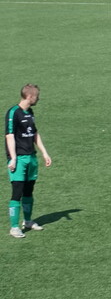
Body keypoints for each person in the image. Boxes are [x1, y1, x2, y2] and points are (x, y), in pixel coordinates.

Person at [7, 84, 52, 239]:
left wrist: (44, 153)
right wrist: (13, 158)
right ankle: (14, 227)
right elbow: (9, 136)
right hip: (19, 158)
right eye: (37, 96)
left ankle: (27, 221)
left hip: (31, 157)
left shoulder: (30, 112)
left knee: (28, 191)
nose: (38, 99)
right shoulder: (13, 112)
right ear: (30, 97)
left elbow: (34, 133)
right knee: (17, 192)